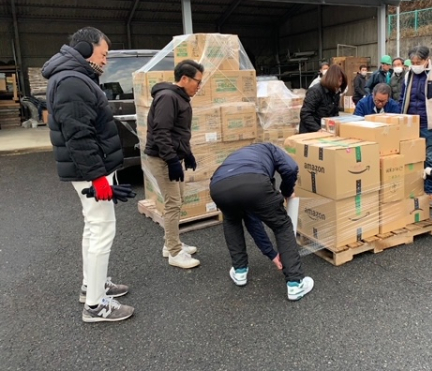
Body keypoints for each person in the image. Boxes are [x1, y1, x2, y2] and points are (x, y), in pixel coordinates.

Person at [42, 26, 134, 323]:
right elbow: (78, 136)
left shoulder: (75, 77)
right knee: (102, 229)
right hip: (90, 171)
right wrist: (97, 177)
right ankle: (95, 306)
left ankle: (91, 285)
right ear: (84, 49)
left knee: (93, 227)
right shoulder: (72, 81)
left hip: (91, 169)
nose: (106, 61)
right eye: (103, 54)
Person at [209, 142, 314, 301]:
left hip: (218, 187)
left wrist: (272, 254)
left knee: (232, 221)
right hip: (254, 183)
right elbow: (291, 168)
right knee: (281, 225)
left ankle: (239, 272)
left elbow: (252, 221)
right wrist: (287, 192)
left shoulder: (242, 154)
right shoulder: (272, 148)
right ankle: (295, 283)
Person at [144, 60, 204, 269]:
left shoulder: (179, 98)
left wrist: (187, 154)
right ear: (185, 79)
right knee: (173, 203)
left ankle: (170, 244)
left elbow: (178, 132)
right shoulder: (168, 97)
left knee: (178, 201)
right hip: (162, 159)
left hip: (171, 156)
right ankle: (174, 252)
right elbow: (161, 132)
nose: (199, 86)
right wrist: (171, 160)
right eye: (198, 81)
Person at [399, 45, 432, 209]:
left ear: (427, 59)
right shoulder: (408, 75)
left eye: (418, 61)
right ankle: (414, 189)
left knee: (430, 159)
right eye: (413, 61)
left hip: (429, 125)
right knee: (411, 159)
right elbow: (402, 97)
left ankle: (430, 192)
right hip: (410, 125)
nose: (415, 64)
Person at [299, 64, 347, 133]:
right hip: (311, 132)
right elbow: (305, 114)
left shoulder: (335, 93)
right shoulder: (316, 91)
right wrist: (317, 129)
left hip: (326, 132)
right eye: (339, 81)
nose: (339, 85)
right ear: (331, 79)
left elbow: (335, 114)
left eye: (341, 82)